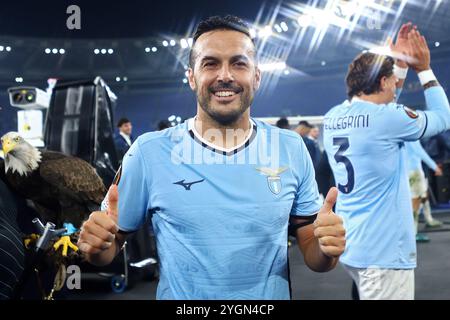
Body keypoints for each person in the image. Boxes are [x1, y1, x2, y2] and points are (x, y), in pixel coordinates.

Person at [78, 15, 345, 300]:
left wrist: (326, 249)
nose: (225, 75)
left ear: (256, 76)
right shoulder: (148, 152)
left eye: (239, 63)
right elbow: (109, 246)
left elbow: (314, 253)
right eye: (211, 63)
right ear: (192, 77)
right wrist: (96, 246)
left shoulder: (290, 147)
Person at [323, 23, 450, 299]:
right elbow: (443, 116)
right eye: (392, 81)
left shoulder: (333, 116)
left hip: (355, 245)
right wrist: (423, 68)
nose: (396, 87)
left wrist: (398, 67)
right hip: (384, 253)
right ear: (382, 82)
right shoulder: (386, 119)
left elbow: (383, 108)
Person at [406, 140, 443, 243]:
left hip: (412, 170)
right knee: (415, 202)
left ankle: (429, 219)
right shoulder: (411, 132)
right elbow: (419, 151)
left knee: (424, 193)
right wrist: (434, 166)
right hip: (414, 171)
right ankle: (413, 233)